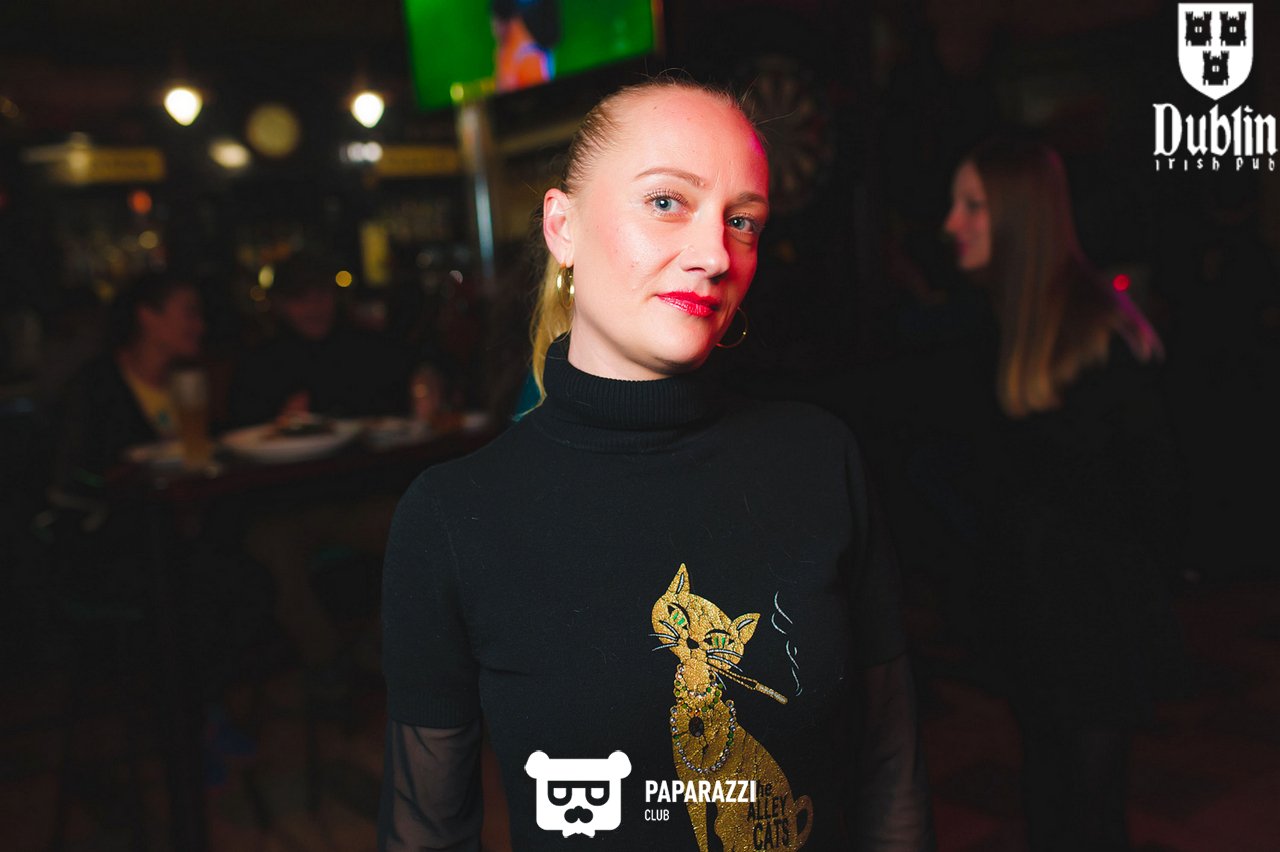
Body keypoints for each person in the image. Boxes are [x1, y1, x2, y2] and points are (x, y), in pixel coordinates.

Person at [380, 77, 934, 851]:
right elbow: (426, 831)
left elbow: (889, 770)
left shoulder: (818, 457)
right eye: (667, 201)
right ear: (562, 226)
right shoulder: (454, 516)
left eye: (741, 221)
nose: (714, 255)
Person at [942, 136, 1186, 852]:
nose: (951, 223)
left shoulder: (1102, 339)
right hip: (1035, 626)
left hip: (1099, 626)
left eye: (973, 206)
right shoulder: (986, 329)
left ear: (1018, 216)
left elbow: (1157, 497)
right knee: (1049, 800)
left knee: (1089, 810)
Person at [228, 250, 412, 428]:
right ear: (280, 303)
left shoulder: (368, 350)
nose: (314, 307)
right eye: (300, 298)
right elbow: (244, 426)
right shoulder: (260, 365)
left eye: (322, 294)